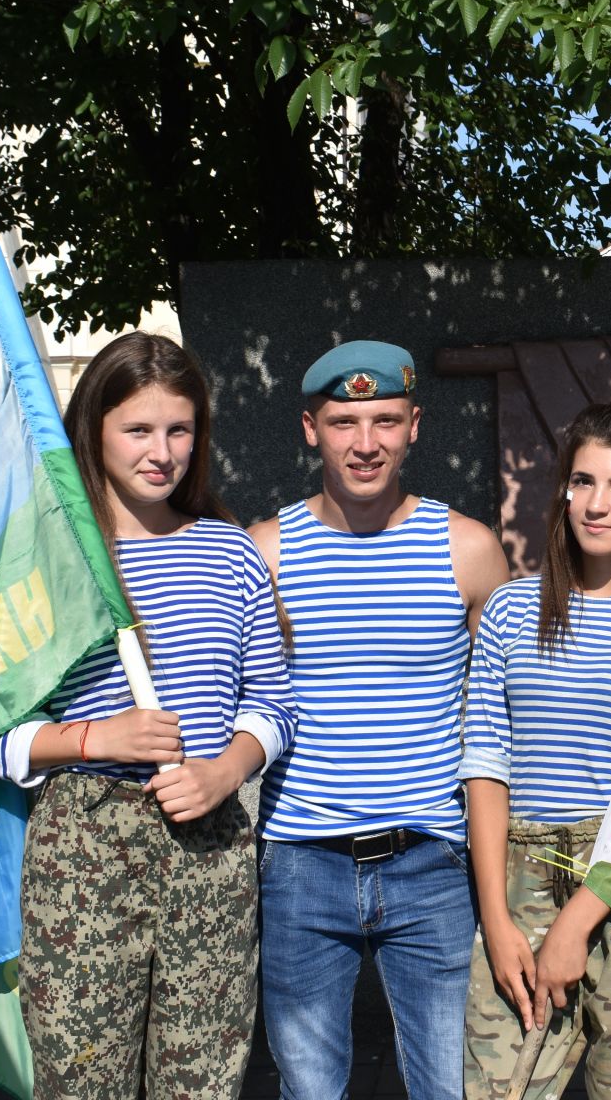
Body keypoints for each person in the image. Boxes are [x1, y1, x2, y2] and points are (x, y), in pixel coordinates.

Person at [0, 332, 295, 1100]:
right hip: (85, 844)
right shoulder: (46, 557)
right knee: (83, 1077)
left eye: (179, 430)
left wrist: (227, 769)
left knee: (203, 1078)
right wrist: (91, 737)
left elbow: (276, 702)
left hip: (210, 839)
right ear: (95, 429)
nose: (162, 452)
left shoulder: (231, 551)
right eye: (138, 430)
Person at [249, 339, 509, 1100]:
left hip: (431, 862)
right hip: (301, 863)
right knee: (310, 1092)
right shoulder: (264, 554)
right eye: (344, 422)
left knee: (445, 1088)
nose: (366, 443)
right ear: (310, 428)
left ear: (415, 425)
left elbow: (511, 705)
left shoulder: (469, 550)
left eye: (386, 420)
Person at [459, 394, 611, 1100]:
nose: (597, 503)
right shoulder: (511, 608)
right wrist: (499, 920)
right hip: (522, 871)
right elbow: (485, 764)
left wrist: (577, 920)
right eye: (584, 481)